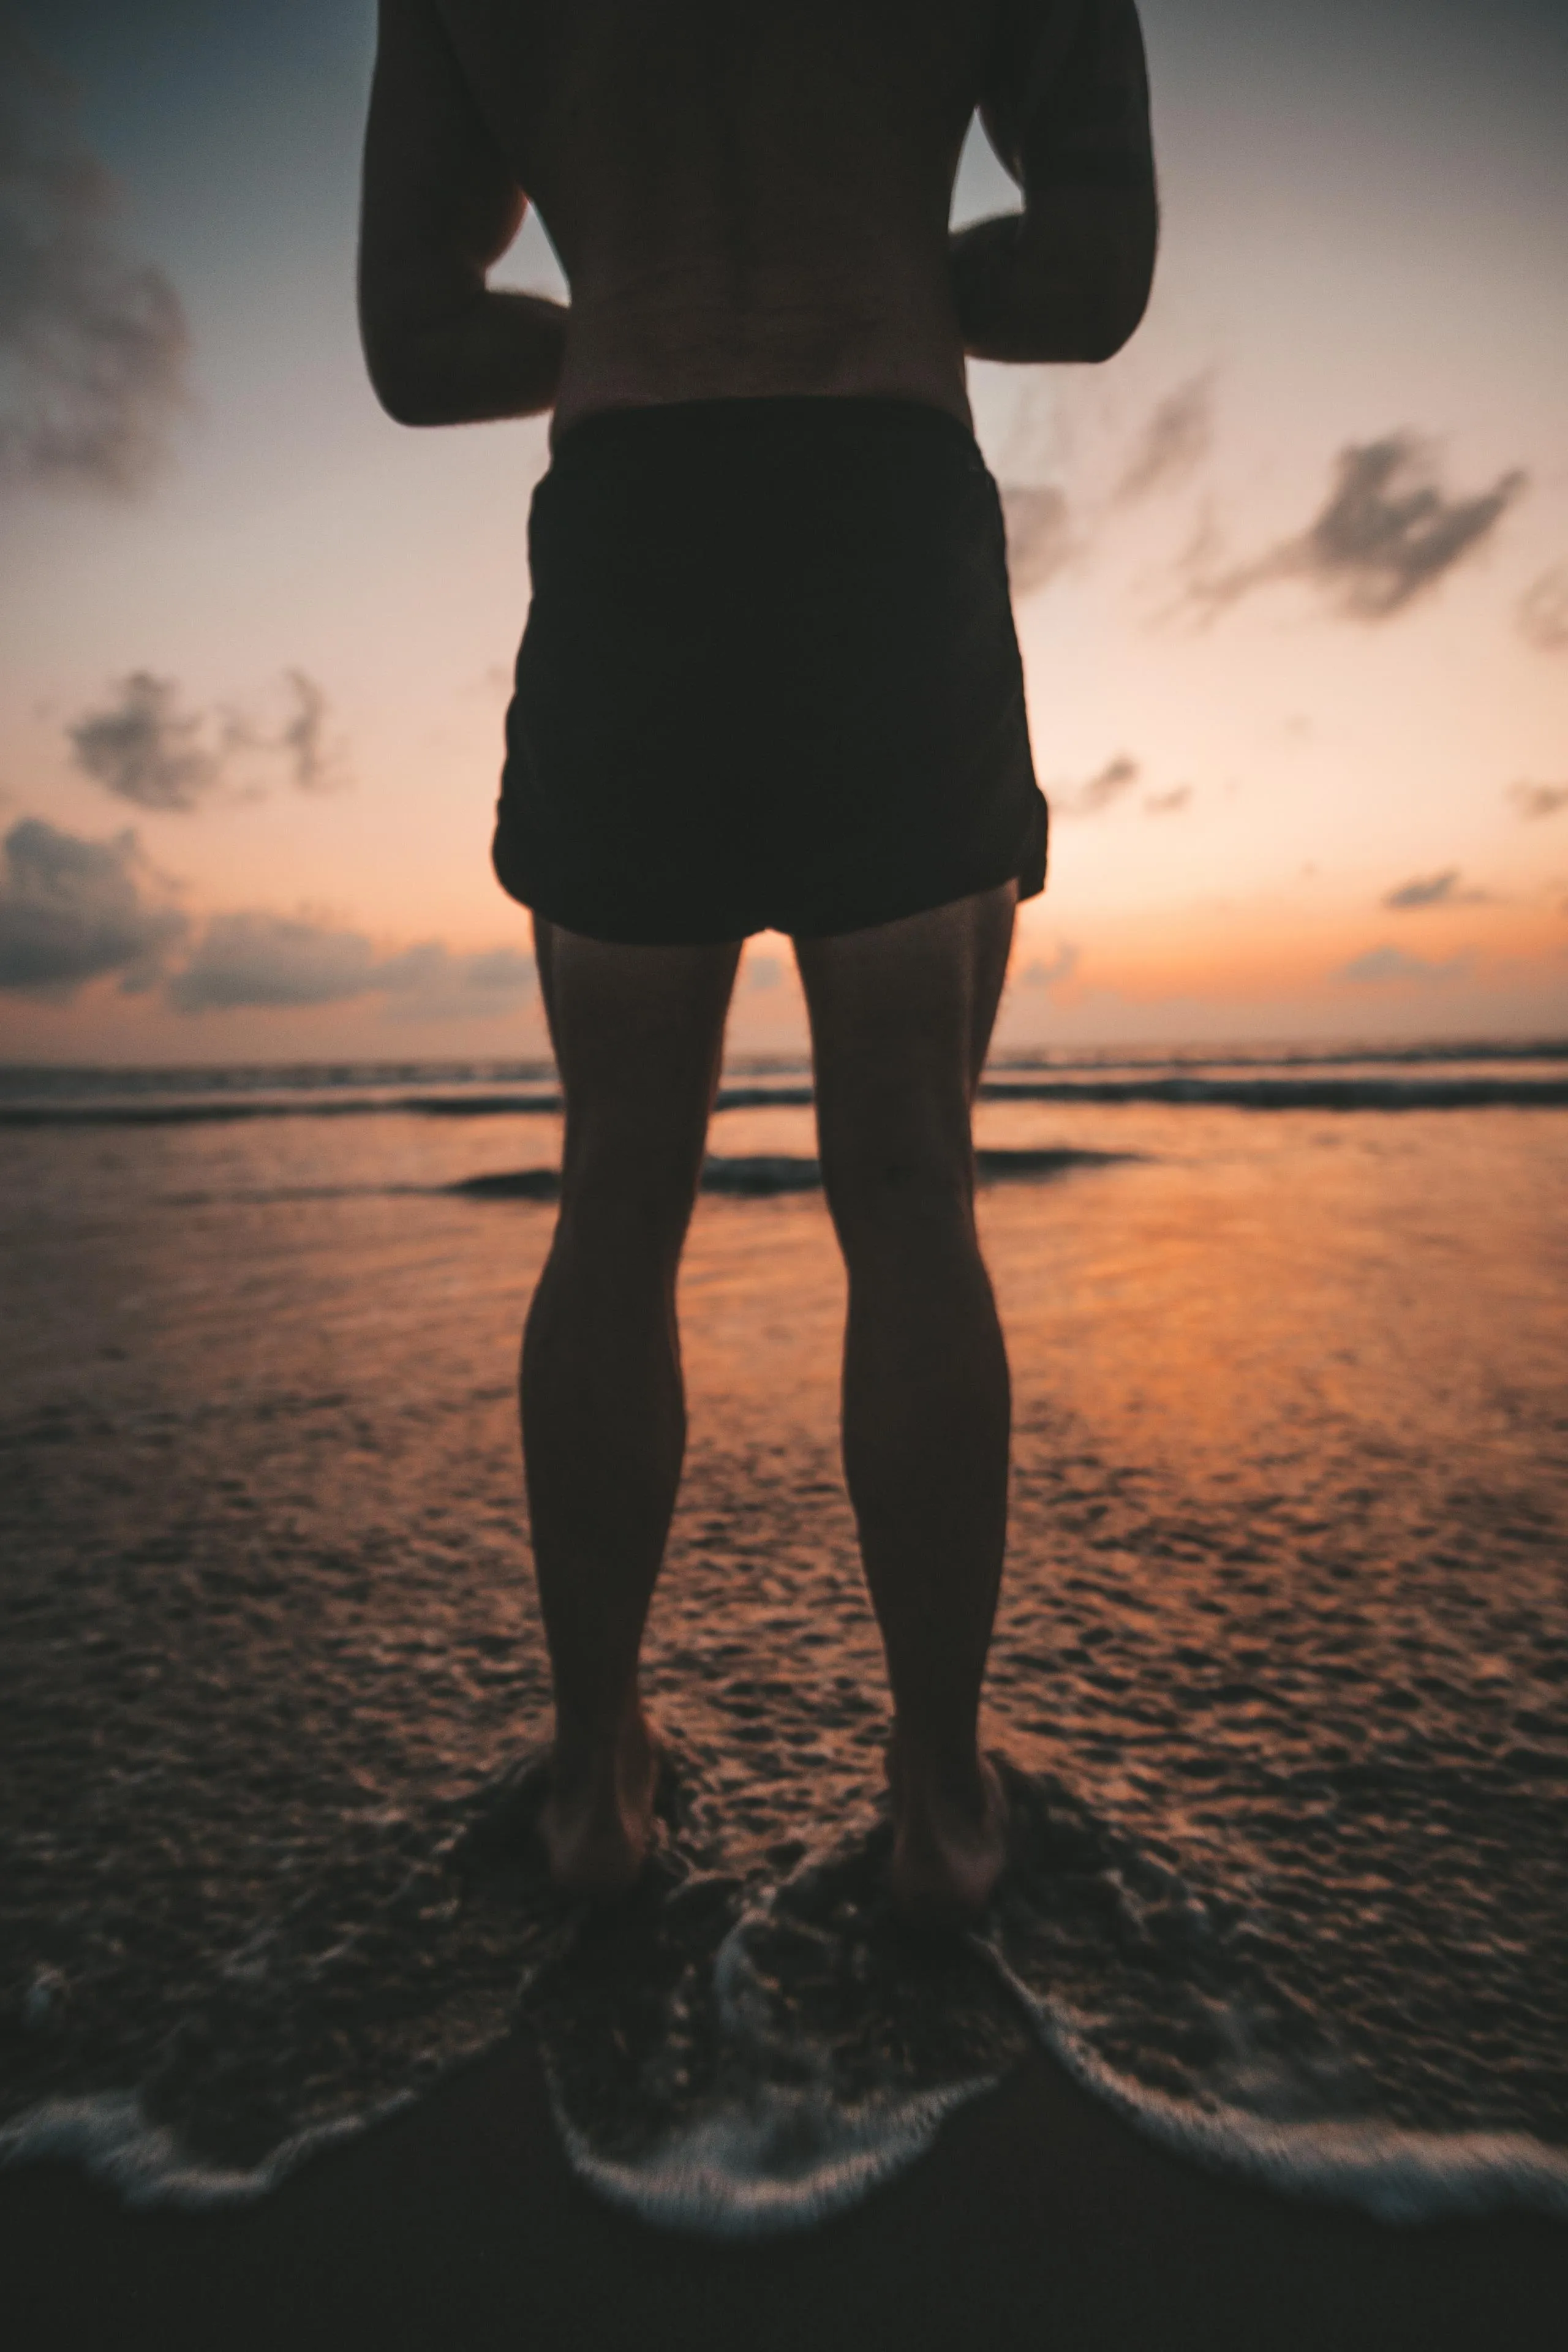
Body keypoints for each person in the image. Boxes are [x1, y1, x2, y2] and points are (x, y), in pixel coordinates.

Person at [358, 0, 1156, 1919]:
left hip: (638, 516)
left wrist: (630, 320)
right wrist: (875, 277)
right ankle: (943, 1810)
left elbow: (416, 338)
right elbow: (1093, 272)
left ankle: (595, 1792)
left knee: (616, 1197)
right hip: (882, 497)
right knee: (914, 1190)